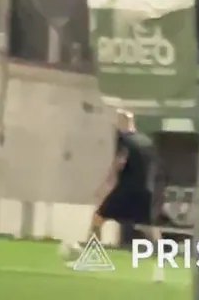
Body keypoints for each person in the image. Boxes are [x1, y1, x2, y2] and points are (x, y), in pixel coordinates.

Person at [62, 109, 164, 282]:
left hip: (126, 189)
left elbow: (119, 164)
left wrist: (104, 187)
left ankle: (91, 260)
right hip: (145, 190)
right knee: (151, 230)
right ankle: (159, 271)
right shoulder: (147, 142)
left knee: (97, 219)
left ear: (122, 122)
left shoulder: (124, 140)